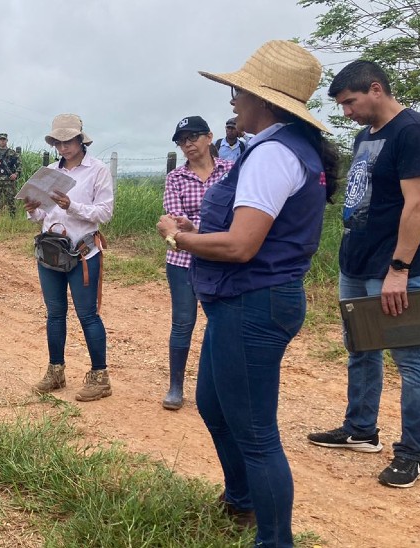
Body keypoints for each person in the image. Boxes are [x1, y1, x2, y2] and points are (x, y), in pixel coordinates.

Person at [157, 41, 340, 547]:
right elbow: (247, 229)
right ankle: (240, 500)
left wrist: (180, 237)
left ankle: (274, 538)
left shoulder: (272, 154)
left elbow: (240, 245)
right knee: (212, 404)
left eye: (240, 90)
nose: (233, 99)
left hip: (252, 303)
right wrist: (199, 230)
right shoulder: (282, 149)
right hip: (245, 301)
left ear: (265, 100)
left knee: (257, 435)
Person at [307, 60, 420, 489]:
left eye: (350, 102)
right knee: (360, 348)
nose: (346, 112)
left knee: (410, 359)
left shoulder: (412, 131)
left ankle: (412, 454)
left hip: (392, 267)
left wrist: (399, 269)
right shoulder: (367, 136)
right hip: (357, 261)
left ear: (376, 89)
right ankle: (361, 430)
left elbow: (418, 204)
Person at [27, 114, 114, 402]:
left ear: (80, 139)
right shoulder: (50, 171)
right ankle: (56, 372)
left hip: (83, 251)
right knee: (54, 314)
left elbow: (105, 213)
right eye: (58, 142)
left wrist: (72, 205)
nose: (63, 147)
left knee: (88, 315)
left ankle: (100, 377)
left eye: (68, 141)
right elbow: (43, 215)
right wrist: (32, 209)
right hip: (51, 251)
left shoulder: (97, 171)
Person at [161, 115, 233, 410]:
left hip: (222, 259)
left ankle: (221, 387)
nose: (187, 144)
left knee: (223, 323)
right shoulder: (175, 178)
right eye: (182, 140)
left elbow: (239, 216)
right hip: (182, 260)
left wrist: (197, 228)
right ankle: (176, 385)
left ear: (208, 137)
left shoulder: (232, 171)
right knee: (182, 323)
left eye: (192, 137)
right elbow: (175, 224)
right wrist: (214, 228)